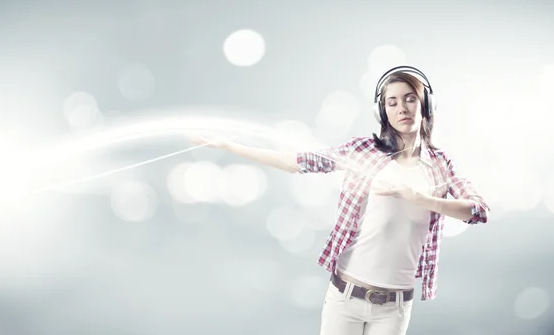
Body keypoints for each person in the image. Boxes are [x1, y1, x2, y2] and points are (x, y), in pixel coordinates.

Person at [189, 65, 490, 335]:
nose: (402, 108)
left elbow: (477, 211)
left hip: (395, 308)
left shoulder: (440, 164)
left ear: (426, 104)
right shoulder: (363, 151)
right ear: (382, 111)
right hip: (345, 298)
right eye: (392, 102)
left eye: (410, 98)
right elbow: (299, 161)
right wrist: (232, 146)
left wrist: (418, 198)